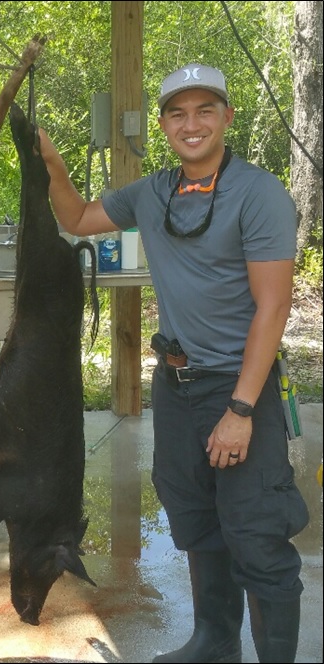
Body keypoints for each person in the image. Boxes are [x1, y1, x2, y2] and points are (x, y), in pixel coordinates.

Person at [38, 64, 309, 663]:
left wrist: (240, 410)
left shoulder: (258, 193)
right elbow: (78, 219)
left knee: (255, 531)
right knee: (197, 518)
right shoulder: (151, 191)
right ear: (162, 124)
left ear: (227, 117)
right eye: (178, 113)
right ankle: (215, 641)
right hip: (177, 385)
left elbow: (273, 308)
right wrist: (53, 165)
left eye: (205, 110)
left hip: (242, 386)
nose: (192, 124)